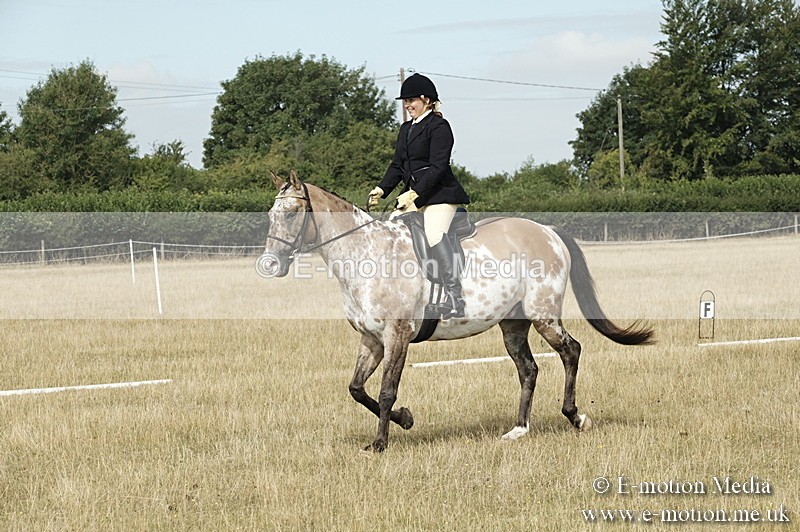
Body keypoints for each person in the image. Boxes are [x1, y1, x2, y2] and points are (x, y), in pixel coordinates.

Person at [367, 73, 470, 318]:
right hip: (412, 197)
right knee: (388, 232)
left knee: (434, 234)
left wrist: (414, 192)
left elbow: (438, 167)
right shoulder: (406, 129)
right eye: (405, 101)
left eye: (411, 100)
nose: (407, 105)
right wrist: (382, 189)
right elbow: (396, 166)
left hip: (440, 195)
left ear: (427, 100)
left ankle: (455, 297)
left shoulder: (439, 127)